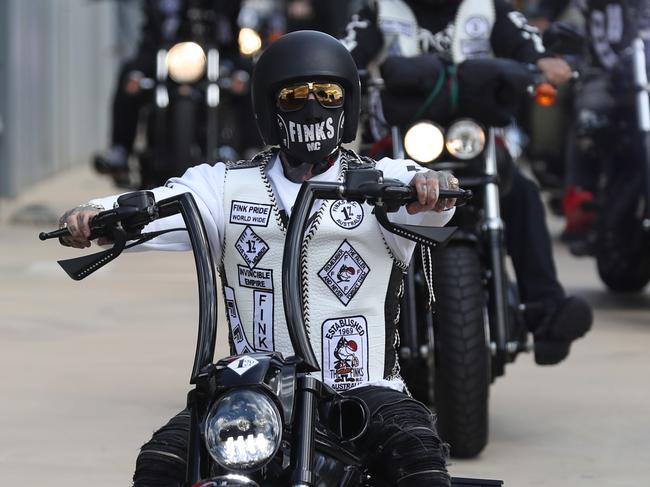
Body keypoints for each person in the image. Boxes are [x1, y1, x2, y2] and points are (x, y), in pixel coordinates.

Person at [60, 30, 456, 487]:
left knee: (419, 456)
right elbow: (159, 202)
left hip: (363, 391)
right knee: (160, 464)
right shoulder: (223, 186)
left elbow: (429, 196)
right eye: (293, 96)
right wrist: (93, 214)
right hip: (253, 392)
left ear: (347, 104)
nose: (312, 108)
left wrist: (433, 187)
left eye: (327, 94)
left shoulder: (384, 180)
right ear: (269, 109)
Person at [341, 0, 592, 365]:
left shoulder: (489, 8)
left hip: (474, 141)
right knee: (356, 206)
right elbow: (345, 52)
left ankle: (546, 310)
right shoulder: (379, 10)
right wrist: (335, 70)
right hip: (397, 146)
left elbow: (527, 44)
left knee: (522, 194)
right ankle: (351, 321)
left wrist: (546, 61)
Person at [94, 0, 244, 181]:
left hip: (218, 49)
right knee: (130, 76)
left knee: (246, 76)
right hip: (161, 50)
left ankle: (251, 146)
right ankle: (121, 149)